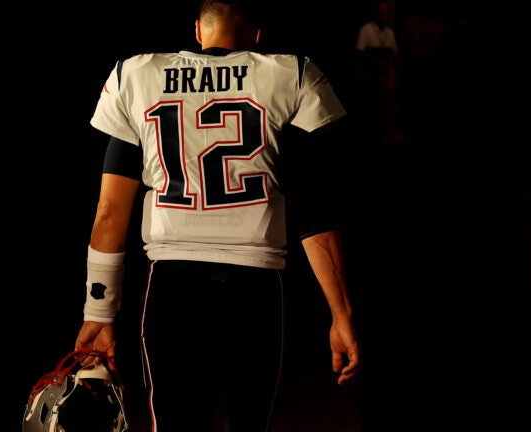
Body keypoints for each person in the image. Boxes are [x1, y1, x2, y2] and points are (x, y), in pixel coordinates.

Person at [73, 1, 361, 430]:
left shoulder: (136, 74)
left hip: (174, 285)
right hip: (255, 286)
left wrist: (99, 313)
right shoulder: (289, 73)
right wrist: (342, 315)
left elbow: (110, 212)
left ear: (197, 30)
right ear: (258, 34)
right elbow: (314, 208)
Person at [354, 0, 403, 146]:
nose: (384, 15)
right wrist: (376, 62)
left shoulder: (389, 33)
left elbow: (395, 53)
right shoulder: (366, 30)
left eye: (387, 12)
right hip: (370, 76)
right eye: (382, 12)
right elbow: (360, 51)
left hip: (386, 76)